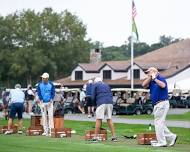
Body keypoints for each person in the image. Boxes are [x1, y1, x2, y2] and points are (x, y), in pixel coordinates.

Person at [142, 67, 177, 147]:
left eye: (148, 72)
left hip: (162, 103)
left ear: (154, 72)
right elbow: (143, 85)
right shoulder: (151, 81)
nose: (147, 74)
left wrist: (155, 78)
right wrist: (151, 78)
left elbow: (163, 85)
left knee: (158, 123)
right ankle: (172, 137)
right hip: (157, 104)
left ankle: (162, 142)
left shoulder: (160, 78)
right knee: (159, 123)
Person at [91, 77, 117, 142]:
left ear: (96, 82)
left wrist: (94, 104)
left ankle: (95, 137)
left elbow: (92, 96)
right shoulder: (107, 85)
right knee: (109, 119)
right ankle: (114, 137)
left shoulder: (95, 85)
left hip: (101, 102)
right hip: (110, 102)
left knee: (98, 119)